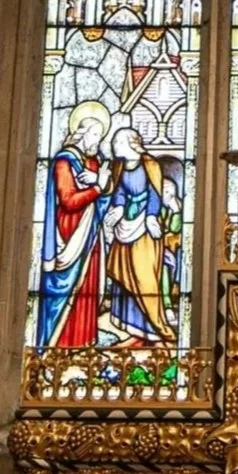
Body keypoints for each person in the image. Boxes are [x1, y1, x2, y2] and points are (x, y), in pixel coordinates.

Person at [36, 102, 112, 350]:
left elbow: (103, 197)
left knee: (87, 287)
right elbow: (68, 201)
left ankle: (84, 341)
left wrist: (104, 184)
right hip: (69, 236)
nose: (98, 141)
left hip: (90, 235)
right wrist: (98, 187)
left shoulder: (92, 163)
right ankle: (57, 349)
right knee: (67, 290)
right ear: (82, 132)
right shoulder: (63, 162)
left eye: (100, 136)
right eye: (95, 135)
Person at [101, 125, 174, 344]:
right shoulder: (119, 166)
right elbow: (120, 191)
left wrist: (151, 216)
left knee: (144, 276)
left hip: (145, 230)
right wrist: (120, 208)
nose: (114, 146)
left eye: (118, 142)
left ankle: (152, 327)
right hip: (125, 227)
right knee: (123, 273)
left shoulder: (150, 165)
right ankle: (125, 324)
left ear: (131, 144)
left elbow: (155, 192)